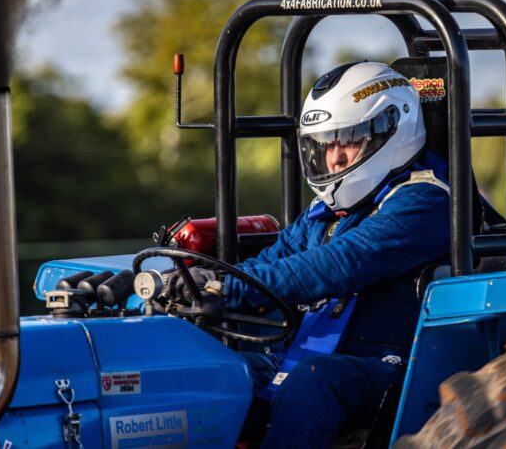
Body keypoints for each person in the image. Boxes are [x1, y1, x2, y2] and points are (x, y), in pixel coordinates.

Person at [188, 61, 451, 448]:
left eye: (348, 139)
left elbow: (340, 264)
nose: (334, 158)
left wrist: (227, 290)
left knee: (314, 378)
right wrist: (194, 282)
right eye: (327, 142)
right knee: (216, 372)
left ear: (393, 130)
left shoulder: (424, 201)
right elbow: (269, 263)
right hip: (310, 358)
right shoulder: (324, 213)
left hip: (397, 368)